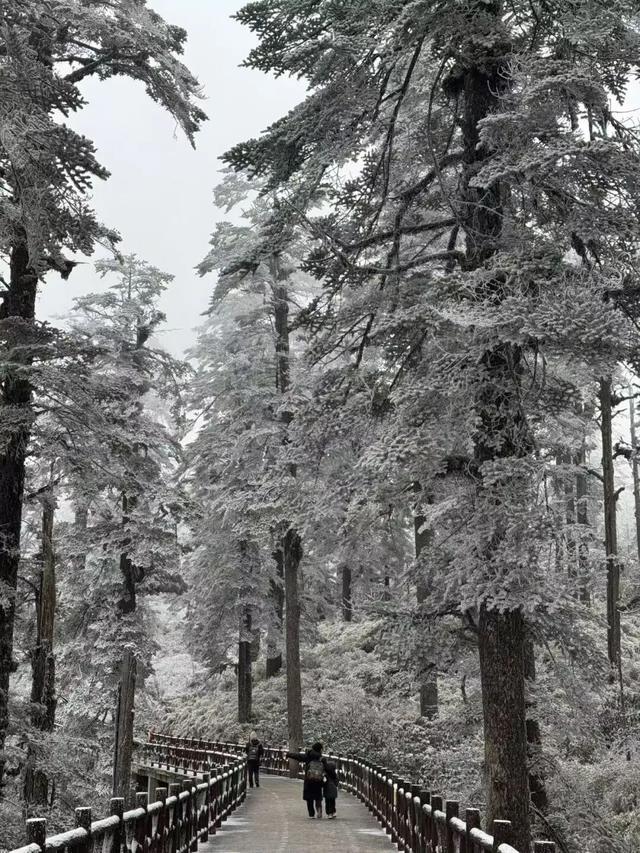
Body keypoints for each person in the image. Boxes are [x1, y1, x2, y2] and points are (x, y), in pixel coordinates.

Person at [286, 741, 326, 818]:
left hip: (309, 779)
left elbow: (298, 756)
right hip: (318, 780)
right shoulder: (321, 758)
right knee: (318, 796)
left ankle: (311, 814)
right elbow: (327, 768)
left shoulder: (308, 755)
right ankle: (319, 809)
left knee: (309, 797)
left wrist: (289, 754)